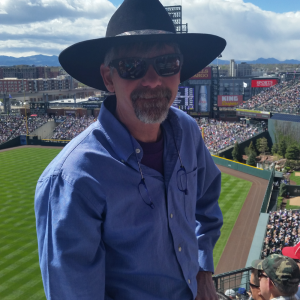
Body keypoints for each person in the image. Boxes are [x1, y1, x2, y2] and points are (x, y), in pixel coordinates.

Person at [34, 0, 226, 299]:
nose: (152, 80)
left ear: (179, 69)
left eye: (167, 63)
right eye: (131, 66)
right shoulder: (72, 178)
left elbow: (207, 203)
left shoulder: (187, 131)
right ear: (109, 78)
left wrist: (203, 271)